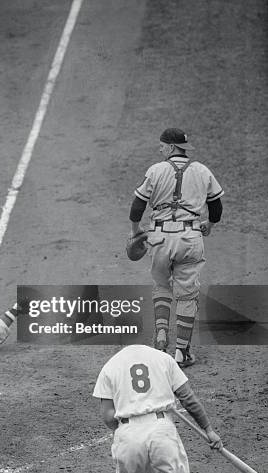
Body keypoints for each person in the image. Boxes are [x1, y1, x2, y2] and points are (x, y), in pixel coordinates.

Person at [129, 128, 224, 367]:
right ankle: (182, 352)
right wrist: (209, 225)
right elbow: (216, 208)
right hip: (190, 237)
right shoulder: (202, 171)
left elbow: (136, 208)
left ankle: (161, 334)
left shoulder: (155, 170)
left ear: (171, 147)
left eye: (162, 146)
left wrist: (135, 232)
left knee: (161, 285)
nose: (160, 150)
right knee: (187, 293)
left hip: (159, 237)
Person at [93, 344, 222, 473]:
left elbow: (108, 415)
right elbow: (188, 399)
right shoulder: (164, 358)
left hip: (128, 437)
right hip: (161, 433)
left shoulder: (110, 366)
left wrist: (126, 432)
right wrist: (208, 430)